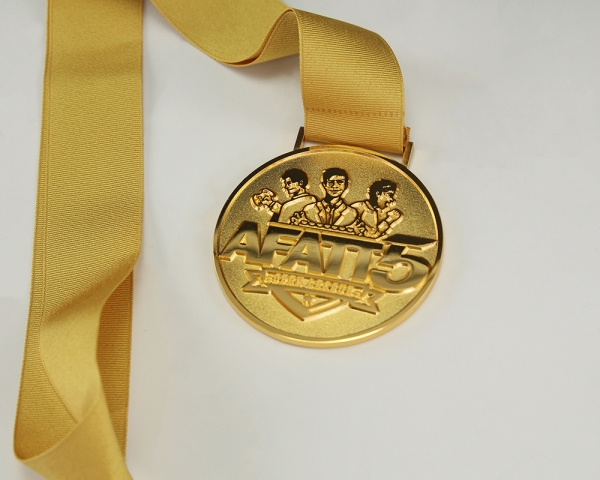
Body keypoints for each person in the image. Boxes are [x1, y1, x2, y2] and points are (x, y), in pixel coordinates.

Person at [251, 168, 316, 223]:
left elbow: (286, 217)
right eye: (285, 184)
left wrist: (273, 205)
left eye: (289, 183)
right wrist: (271, 204)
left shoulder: (309, 200)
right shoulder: (288, 205)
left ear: (301, 183)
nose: (286, 187)